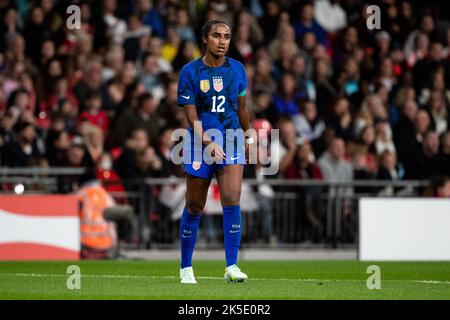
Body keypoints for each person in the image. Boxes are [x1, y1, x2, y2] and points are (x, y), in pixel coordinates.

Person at [177, 20, 251, 284]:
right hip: (200, 142)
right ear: (205, 39)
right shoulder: (190, 71)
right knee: (195, 205)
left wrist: (249, 134)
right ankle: (186, 267)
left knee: (232, 198)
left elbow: (241, 108)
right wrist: (208, 142)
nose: (223, 41)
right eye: (217, 35)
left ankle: (231, 266)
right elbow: (190, 114)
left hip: (231, 139)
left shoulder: (238, 70)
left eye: (227, 36)